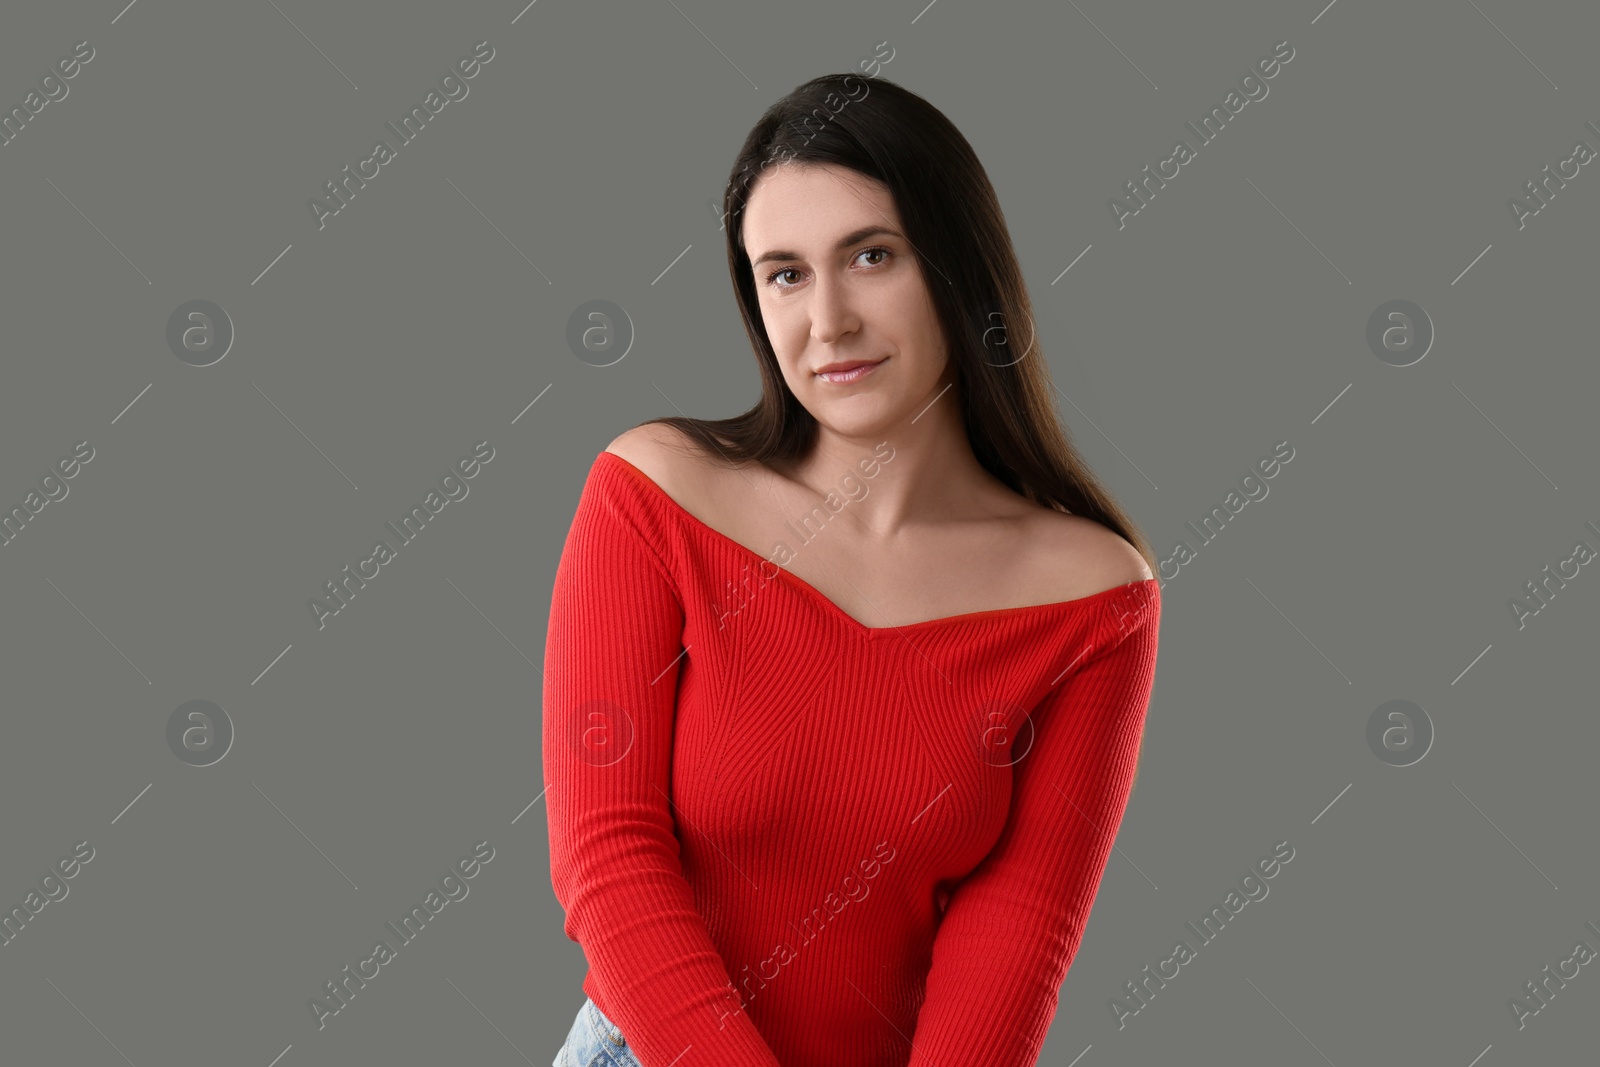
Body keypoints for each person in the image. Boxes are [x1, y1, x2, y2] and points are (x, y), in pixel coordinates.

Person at [544, 72, 1162, 1067]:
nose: (826, 320)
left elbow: (1018, 928)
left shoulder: (1092, 596)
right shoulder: (653, 494)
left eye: (870, 256)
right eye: (783, 273)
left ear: (957, 268)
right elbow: (606, 859)